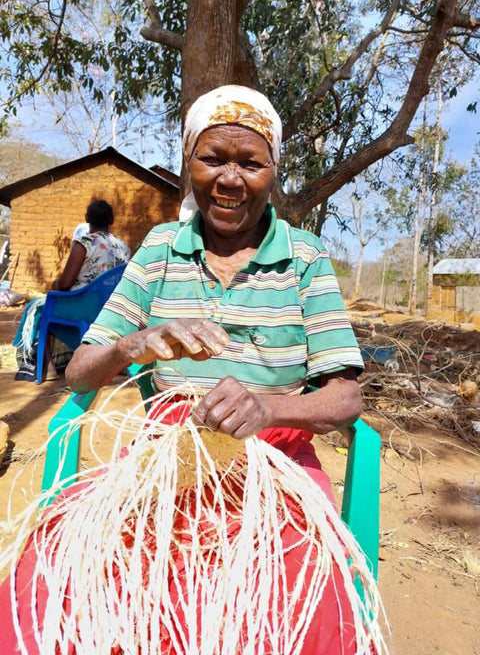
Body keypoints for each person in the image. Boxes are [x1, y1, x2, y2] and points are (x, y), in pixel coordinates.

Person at [3, 86, 367, 653]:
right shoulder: (160, 249)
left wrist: (268, 405)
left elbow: (345, 398)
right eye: (213, 158)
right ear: (187, 163)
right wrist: (135, 344)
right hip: (163, 459)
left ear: (273, 171)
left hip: (274, 463)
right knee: (58, 576)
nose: (230, 179)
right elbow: (78, 372)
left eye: (251, 163)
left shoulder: (306, 259)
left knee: (295, 595)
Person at [14, 199, 130, 381]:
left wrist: (55, 284)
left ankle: (47, 368)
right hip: (109, 308)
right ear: (112, 220)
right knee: (47, 307)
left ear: (86, 219)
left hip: (82, 305)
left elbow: (66, 283)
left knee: (37, 308)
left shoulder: (84, 243)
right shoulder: (123, 246)